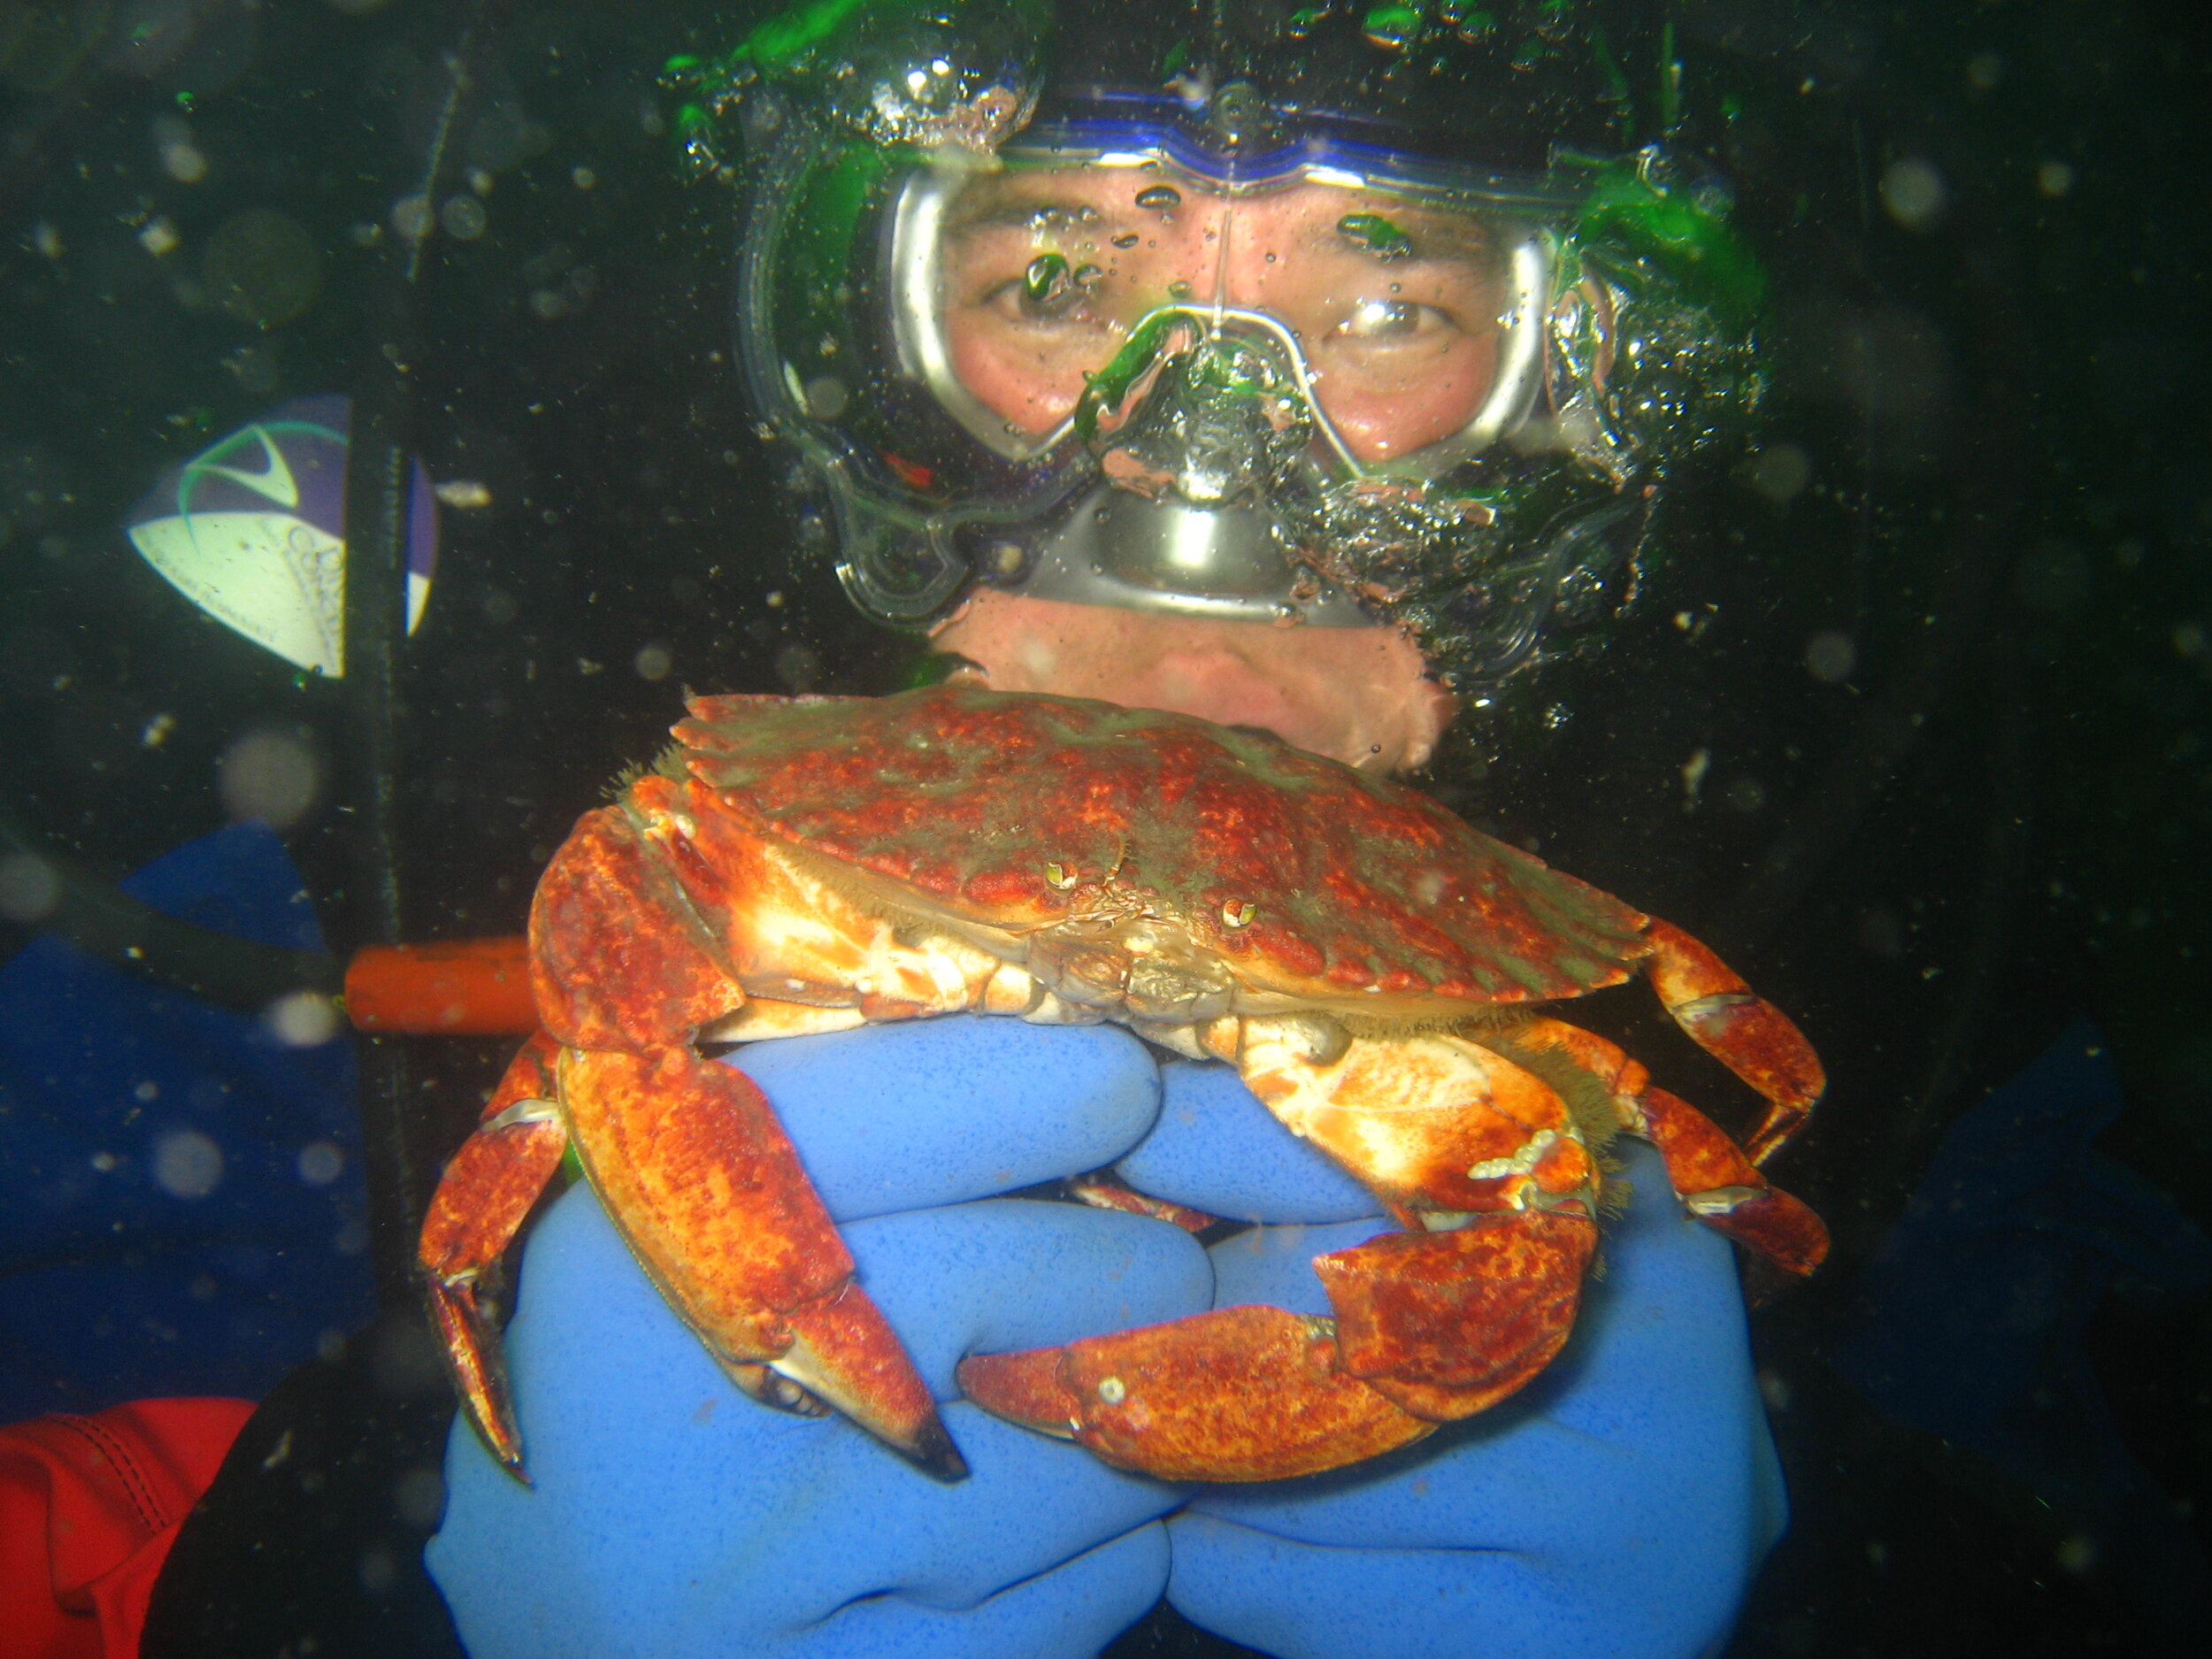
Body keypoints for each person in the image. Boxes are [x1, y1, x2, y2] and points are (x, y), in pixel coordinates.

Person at [423, 5, 1788, 1658]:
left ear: (1587, 406)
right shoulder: (692, 880)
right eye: (1052, 286)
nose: (1199, 478)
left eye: (1386, 310)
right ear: (867, 363)